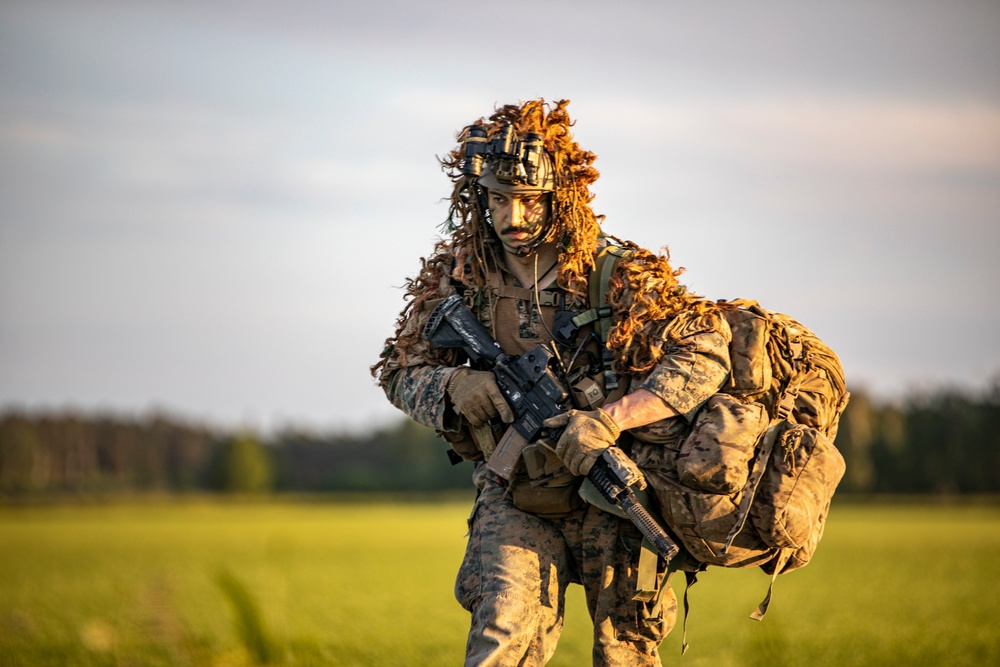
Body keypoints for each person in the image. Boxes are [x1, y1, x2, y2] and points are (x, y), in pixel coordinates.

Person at [371, 99, 733, 666]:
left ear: (561, 200)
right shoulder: (459, 278)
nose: (511, 218)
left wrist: (613, 419)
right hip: (515, 492)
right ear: (478, 199)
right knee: (501, 638)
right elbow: (397, 369)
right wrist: (450, 388)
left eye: (527, 202)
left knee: (627, 653)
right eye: (497, 200)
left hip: (609, 497)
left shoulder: (617, 273)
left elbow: (706, 353)